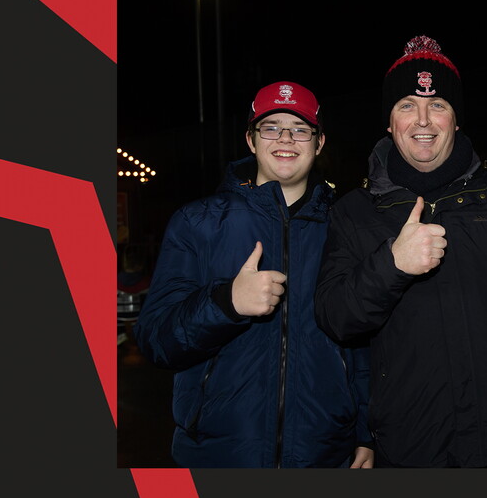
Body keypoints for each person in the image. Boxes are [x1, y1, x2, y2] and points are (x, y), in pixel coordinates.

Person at [314, 35, 487, 468]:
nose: (423, 120)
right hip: (412, 445)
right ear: (389, 123)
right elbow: (335, 317)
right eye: (407, 105)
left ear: (457, 120)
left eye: (439, 105)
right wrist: (392, 264)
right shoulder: (355, 211)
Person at [134, 81, 373, 468]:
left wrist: (366, 432)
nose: (285, 139)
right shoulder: (198, 222)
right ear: (250, 139)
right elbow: (156, 340)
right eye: (271, 127)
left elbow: (362, 344)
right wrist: (225, 303)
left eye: (299, 129)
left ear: (319, 142)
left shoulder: (345, 228)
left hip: (324, 453)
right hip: (218, 456)